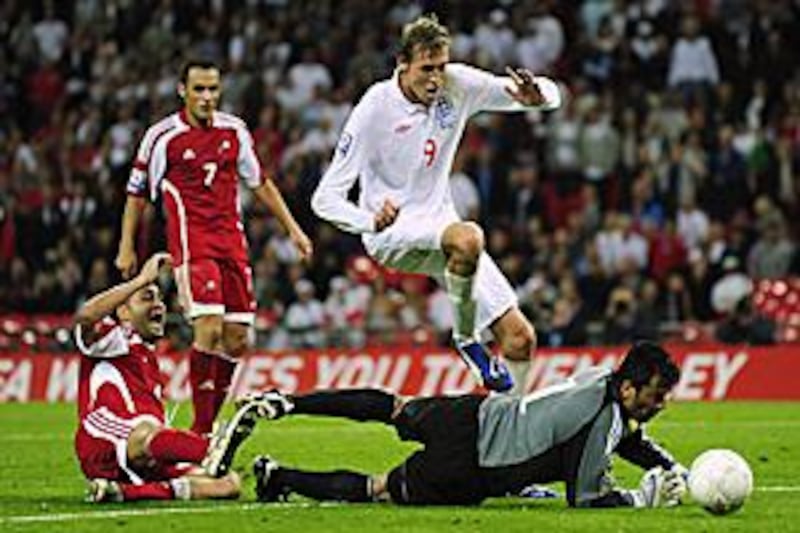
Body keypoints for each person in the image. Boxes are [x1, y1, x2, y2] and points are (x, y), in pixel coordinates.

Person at [311, 14, 562, 393]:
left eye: (440, 67)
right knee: (469, 238)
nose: (435, 78)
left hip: (441, 228)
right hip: (391, 234)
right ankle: (465, 339)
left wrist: (537, 96)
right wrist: (368, 221)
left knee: (520, 339)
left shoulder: (457, 84)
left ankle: (514, 429)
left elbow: (549, 94)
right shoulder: (374, 108)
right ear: (402, 64)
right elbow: (324, 198)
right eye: (426, 68)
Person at [115, 59, 313, 434]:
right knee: (208, 327)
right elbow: (136, 194)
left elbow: (261, 183)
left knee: (237, 338)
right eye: (199, 89)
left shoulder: (234, 131)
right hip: (193, 247)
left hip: (232, 246)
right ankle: (202, 432)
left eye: (213, 89)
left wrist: (293, 229)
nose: (207, 97)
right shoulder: (162, 137)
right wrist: (126, 246)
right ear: (182, 91)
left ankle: (206, 427)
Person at [246, 341, 687, 508]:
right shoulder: (603, 419)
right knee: (379, 487)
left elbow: (628, 439)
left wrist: (668, 465)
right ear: (628, 390)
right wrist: (642, 497)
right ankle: (279, 476)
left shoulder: (598, 379)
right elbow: (587, 499)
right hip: (472, 468)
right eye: (656, 394)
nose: (661, 404)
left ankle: (288, 402)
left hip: (473, 413)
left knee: (395, 407)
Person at [74, 253, 259, 503]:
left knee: (227, 484)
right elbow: (85, 316)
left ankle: (122, 492)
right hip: (104, 442)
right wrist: (141, 280)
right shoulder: (114, 338)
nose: (159, 305)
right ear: (124, 313)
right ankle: (211, 448)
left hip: (143, 453)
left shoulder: (147, 356)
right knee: (148, 430)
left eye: (160, 298)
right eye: (147, 297)